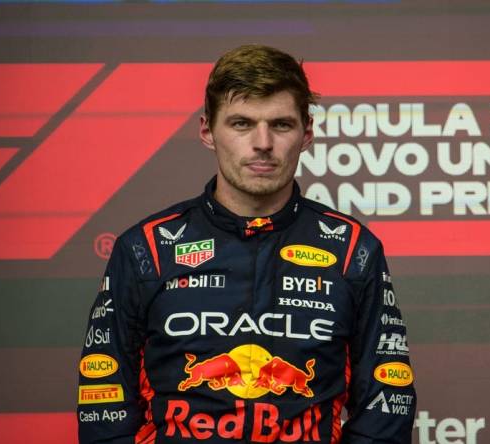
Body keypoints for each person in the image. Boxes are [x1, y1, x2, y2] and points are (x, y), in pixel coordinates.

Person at [77, 44, 416, 443]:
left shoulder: (353, 249)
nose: (262, 143)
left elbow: (387, 401)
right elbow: (104, 403)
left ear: (306, 133)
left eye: (281, 125)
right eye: (241, 124)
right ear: (207, 131)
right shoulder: (145, 249)